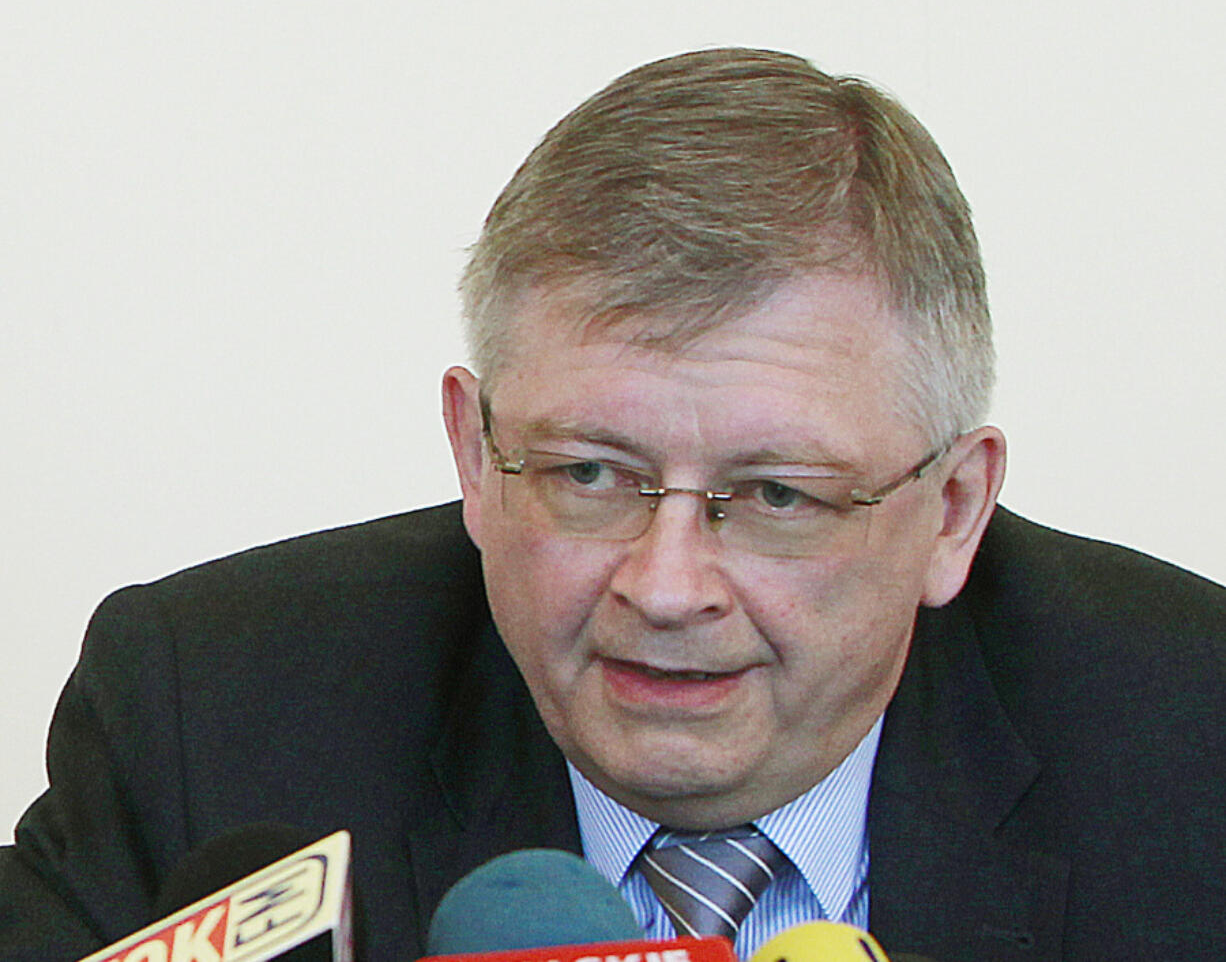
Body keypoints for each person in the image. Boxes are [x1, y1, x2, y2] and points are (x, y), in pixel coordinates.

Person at [1, 47, 1222, 962]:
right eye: (590, 474)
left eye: (777, 495)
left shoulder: (1191, 755)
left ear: (952, 509)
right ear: (475, 454)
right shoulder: (206, 722)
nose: (666, 584)